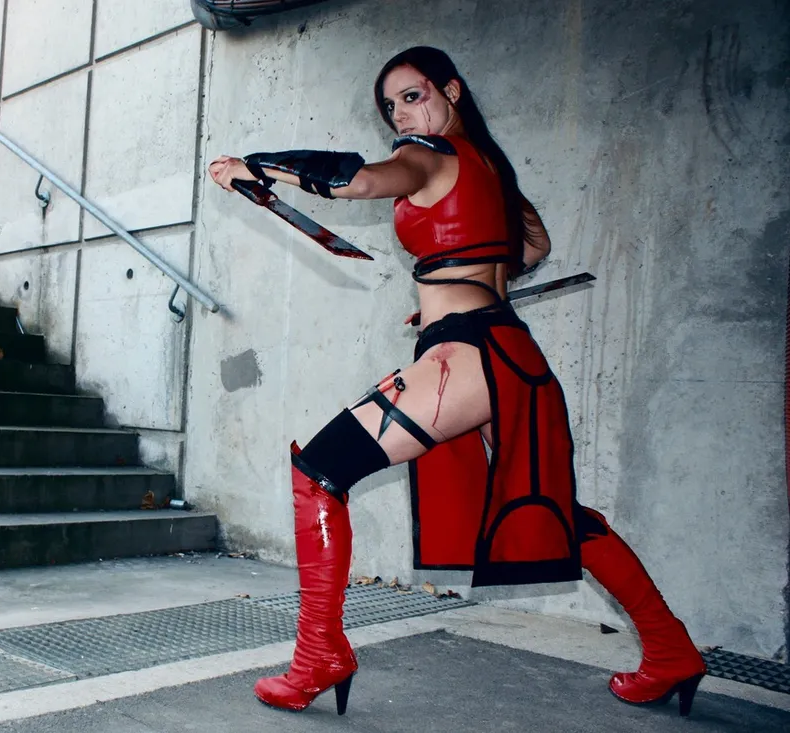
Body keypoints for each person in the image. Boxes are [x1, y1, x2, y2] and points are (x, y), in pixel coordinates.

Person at [208, 46, 706, 718]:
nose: (401, 114)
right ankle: (671, 648)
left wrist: (256, 167)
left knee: (319, 472)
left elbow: (358, 180)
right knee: (558, 516)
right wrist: (457, 280)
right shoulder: (491, 170)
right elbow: (532, 246)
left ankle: (318, 653)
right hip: (512, 356)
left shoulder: (427, 154)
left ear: (451, 90)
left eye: (412, 95)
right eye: (391, 105)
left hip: (467, 355)